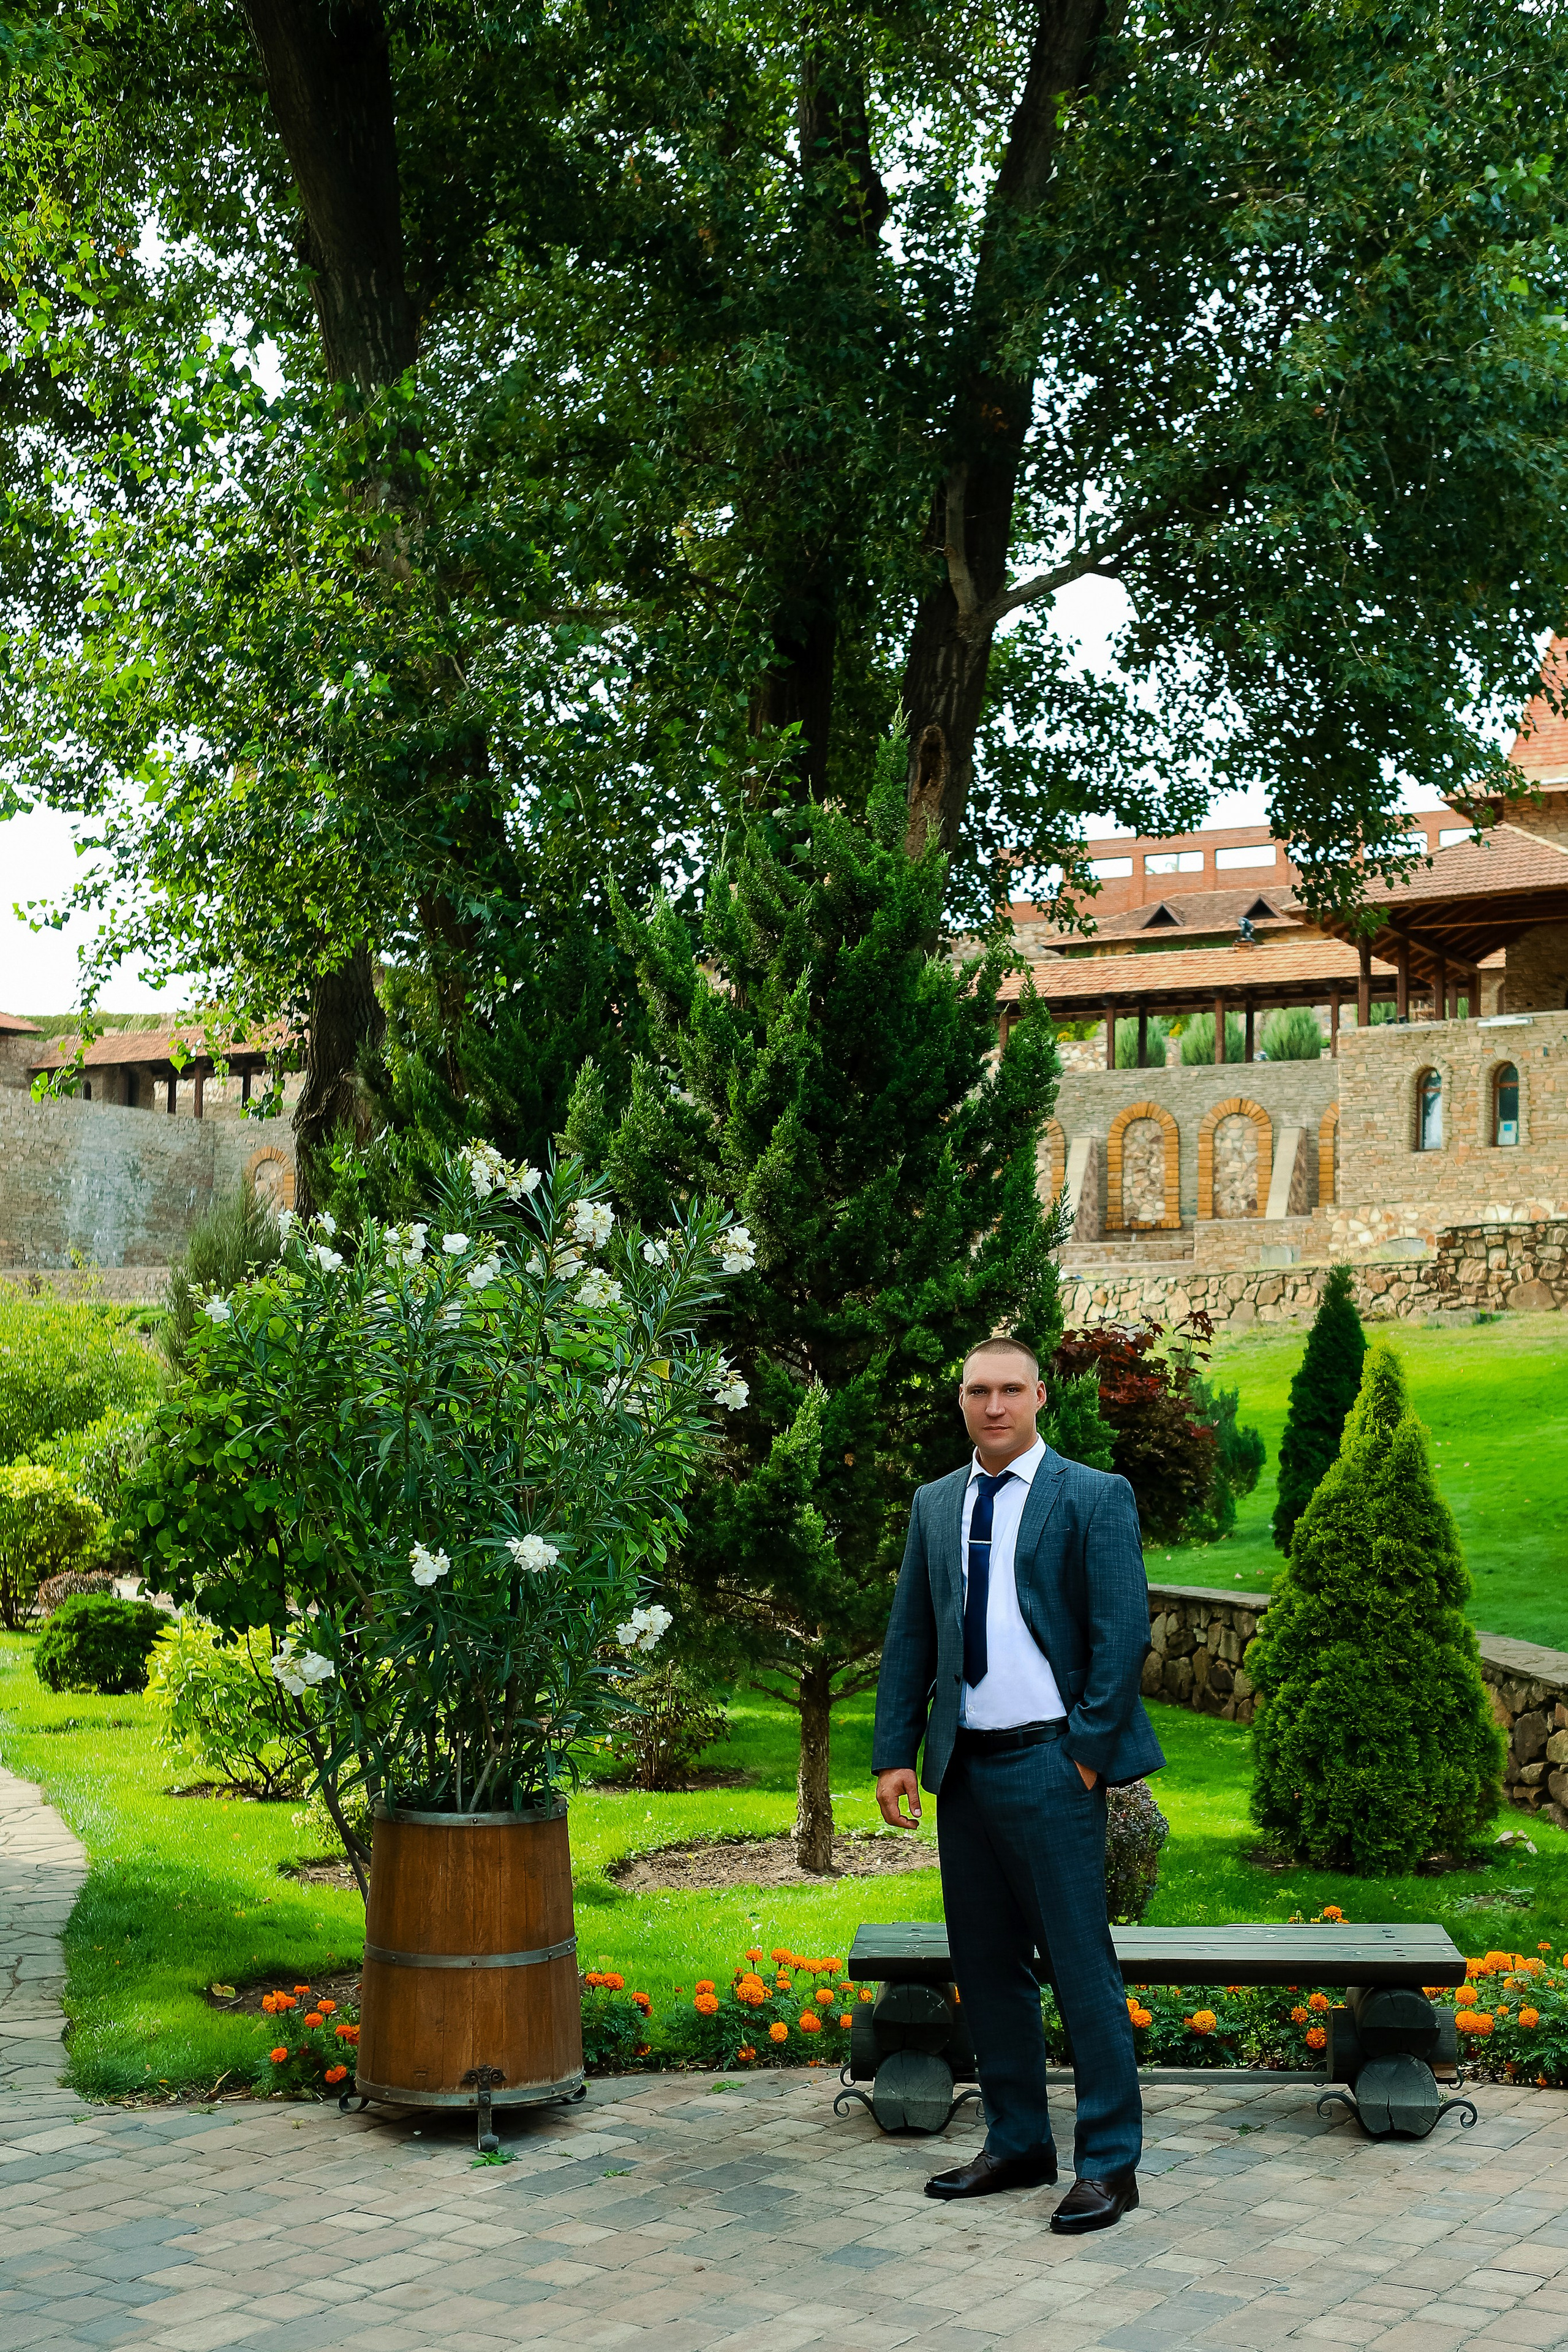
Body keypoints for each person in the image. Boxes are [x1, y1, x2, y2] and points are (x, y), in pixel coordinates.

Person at [872, 1333, 1163, 2234]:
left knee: (1081, 1970)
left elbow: (1123, 1637)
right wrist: (895, 1753)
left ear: (1040, 1397)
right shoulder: (934, 1505)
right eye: (976, 1392)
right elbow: (912, 1636)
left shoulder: (1092, 1496)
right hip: (964, 1770)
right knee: (988, 1971)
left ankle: (1110, 2165)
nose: (992, 1407)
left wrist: (1082, 1755)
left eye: (1009, 1390)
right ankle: (1019, 2142)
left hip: (1051, 1763)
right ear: (960, 1401)